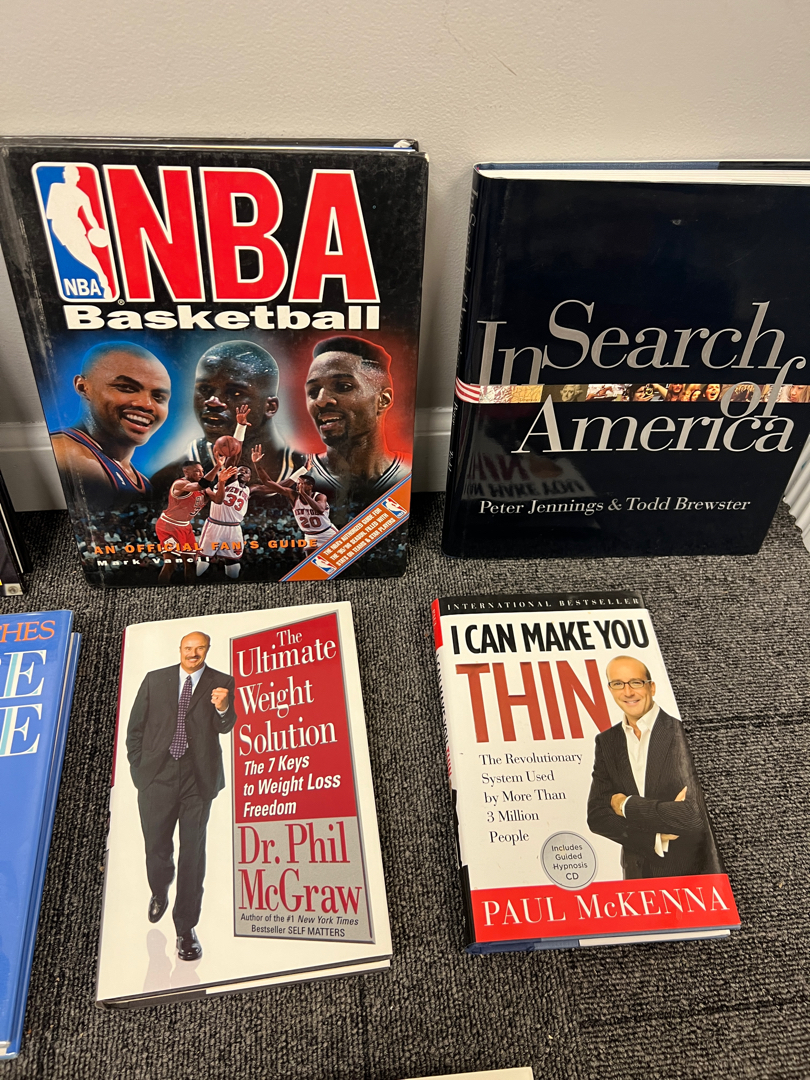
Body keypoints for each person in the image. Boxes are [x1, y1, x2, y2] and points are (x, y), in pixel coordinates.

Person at [126, 630, 236, 961]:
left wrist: (223, 707)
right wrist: (140, 770)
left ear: (207, 650)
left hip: (196, 779)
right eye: (188, 648)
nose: (193, 653)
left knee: (193, 852)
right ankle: (159, 890)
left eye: (199, 648)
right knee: (156, 845)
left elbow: (224, 725)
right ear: (180, 649)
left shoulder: (222, 681)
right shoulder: (155, 680)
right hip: (156, 777)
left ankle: (185, 927)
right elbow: (134, 729)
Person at [586, 654, 722, 880]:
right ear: (610, 689)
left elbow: (693, 816)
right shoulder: (607, 741)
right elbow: (597, 816)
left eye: (636, 682)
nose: (627, 692)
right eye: (618, 684)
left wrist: (625, 805)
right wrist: (653, 837)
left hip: (690, 873)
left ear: (652, 687)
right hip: (636, 874)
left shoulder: (680, 732)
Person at [150, 340, 306, 498]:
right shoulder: (166, 482)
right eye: (204, 389)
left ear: (270, 407)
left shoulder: (310, 476)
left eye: (235, 393)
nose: (212, 401)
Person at [304, 336, 410, 527]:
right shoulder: (298, 476)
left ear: (383, 400)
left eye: (343, 387)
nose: (321, 400)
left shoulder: (409, 473)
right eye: (313, 391)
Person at [52, 342, 171, 509]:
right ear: (83, 387)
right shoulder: (64, 455)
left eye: (158, 397)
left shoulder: (143, 482)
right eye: (126, 388)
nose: (147, 405)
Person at [156, 458, 236, 583]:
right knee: (170, 564)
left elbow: (218, 500)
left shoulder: (205, 488)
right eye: (197, 471)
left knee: (191, 563)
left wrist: (221, 482)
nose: (201, 474)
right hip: (169, 525)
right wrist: (217, 467)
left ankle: (191, 590)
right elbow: (200, 485)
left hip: (185, 526)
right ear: (186, 472)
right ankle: (159, 591)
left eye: (202, 471)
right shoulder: (180, 484)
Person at [45, 164, 113, 298]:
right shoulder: (57, 188)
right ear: (65, 176)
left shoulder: (81, 195)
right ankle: (102, 277)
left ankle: (103, 279)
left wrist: (97, 229)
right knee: (82, 254)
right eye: (68, 173)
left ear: (77, 177)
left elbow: (90, 217)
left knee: (85, 254)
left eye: (71, 174)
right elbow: (49, 213)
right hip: (62, 227)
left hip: (70, 226)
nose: (69, 176)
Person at [252, 446, 338, 548]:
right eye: (297, 483)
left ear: (310, 486)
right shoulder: (292, 495)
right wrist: (257, 464)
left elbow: (320, 509)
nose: (298, 486)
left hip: (327, 533)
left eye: (301, 483)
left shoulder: (319, 496)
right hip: (309, 536)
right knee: (311, 559)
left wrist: (304, 494)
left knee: (340, 558)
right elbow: (267, 482)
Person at [196, 465, 255, 580]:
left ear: (249, 478)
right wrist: (234, 453)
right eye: (240, 470)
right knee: (204, 557)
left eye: (246, 471)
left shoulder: (249, 490)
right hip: (215, 524)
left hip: (234, 527)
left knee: (232, 560)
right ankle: (192, 582)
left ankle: (233, 584)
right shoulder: (229, 481)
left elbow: (273, 487)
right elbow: (231, 463)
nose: (242, 472)